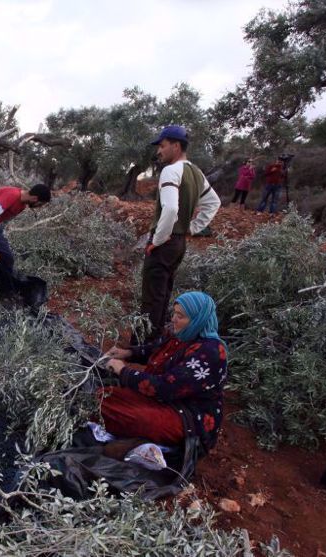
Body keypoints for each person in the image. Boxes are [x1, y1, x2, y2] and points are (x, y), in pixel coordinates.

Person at [100, 291, 228, 452]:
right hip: (163, 400)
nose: (173, 319)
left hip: (186, 417)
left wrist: (123, 371)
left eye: (180, 316)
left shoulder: (211, 351)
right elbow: (156, 350)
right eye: (174, 313)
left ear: (198, 319)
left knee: (115, 413)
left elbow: (165, 388)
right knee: (102, 398)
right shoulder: (181, 334)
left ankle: (147, 446)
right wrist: (128, 353)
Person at [141, 125, 221, 341]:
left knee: (151, 296)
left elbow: (171, 208)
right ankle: (155, 340)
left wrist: (157, 239)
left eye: (163, 146)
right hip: (179, 243)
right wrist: (192, 229)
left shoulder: (170, 171)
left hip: (166, 241)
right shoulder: (196, 172)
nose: (159, 151)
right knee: (163, 292)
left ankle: (142, 346)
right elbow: (214, 202)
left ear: (176, 146)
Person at [0, 184, 51, 292]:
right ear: (35, 198)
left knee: (6, 257)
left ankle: (5, 290)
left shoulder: (22, 205)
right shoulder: (11, 195)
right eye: (41, 204)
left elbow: (1, 218)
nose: (40, 207)